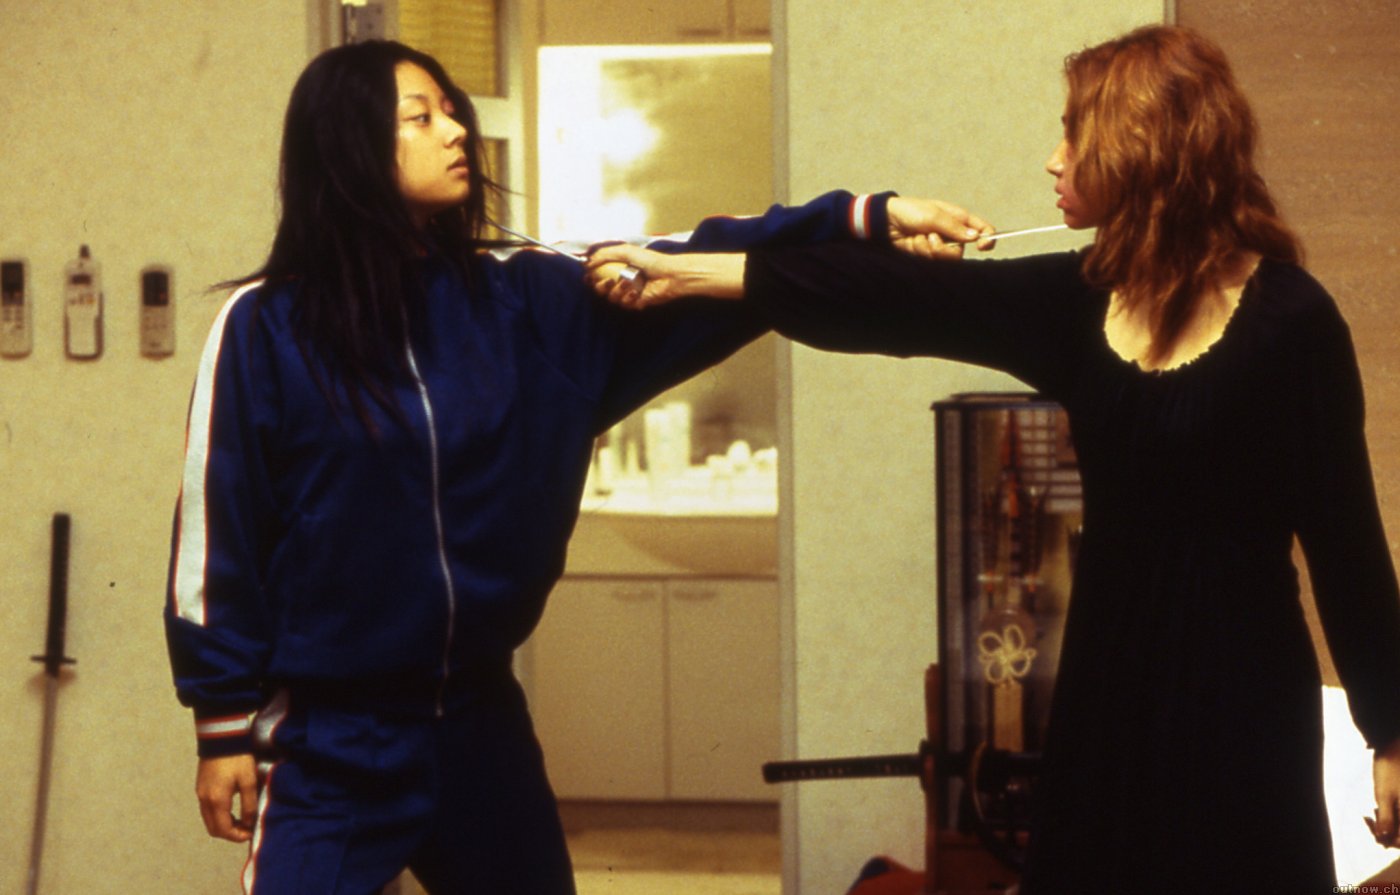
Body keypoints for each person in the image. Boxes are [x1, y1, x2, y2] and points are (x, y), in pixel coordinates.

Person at [588, 24, 1400, 893]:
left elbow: (1347, 546)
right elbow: (884, 299)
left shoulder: (1292, 322)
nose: (1053, 159)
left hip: (1243, 704)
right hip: (1106, 693)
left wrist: (1391, 733)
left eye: (1073, 134)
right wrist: (689, 273)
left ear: (1140, 149)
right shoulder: (1080, 302)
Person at [162, 40, 984, 895]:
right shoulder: (264, 329)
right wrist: (221, 722)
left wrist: (870, 222)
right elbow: (216, 536)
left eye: (451, 110)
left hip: (478, 723)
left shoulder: (523, 301)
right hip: (329, 736)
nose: (455, 130)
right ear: (348, 146)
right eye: (420, 116)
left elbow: (691, 255)